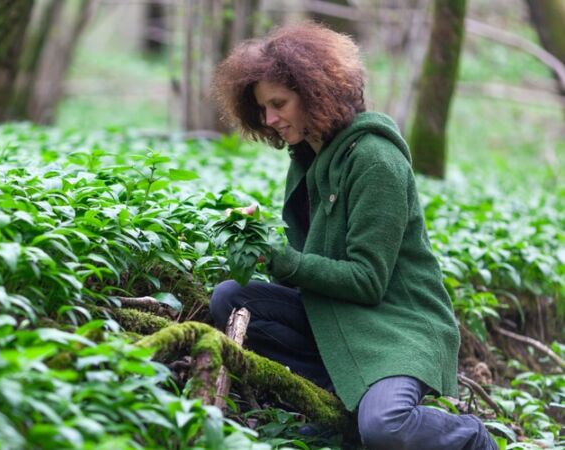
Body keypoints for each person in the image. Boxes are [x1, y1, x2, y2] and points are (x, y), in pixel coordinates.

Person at [208, 22, 497, 450]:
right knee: (231, 299)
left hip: (397, 325)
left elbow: (366, 280)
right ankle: (341, 407)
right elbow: (310, 264)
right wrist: (258, 235)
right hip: (335, 316)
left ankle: (472, 438)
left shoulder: (375, 158)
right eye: (263, 109)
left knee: (386, 426)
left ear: (314, 91)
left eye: (278, 104)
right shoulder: (309, 155)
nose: (269, 118)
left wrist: (282, 258)